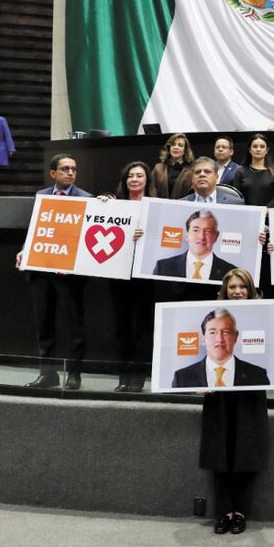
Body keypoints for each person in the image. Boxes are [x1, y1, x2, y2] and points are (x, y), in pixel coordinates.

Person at [195, 271, 271, 535]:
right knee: (220, 454)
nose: (237, 291)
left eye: (242, 286)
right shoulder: (212, 315)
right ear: (225, 291)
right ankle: (224, 511)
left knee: (245, 453)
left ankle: (240, 512)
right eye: (232, 287)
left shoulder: (268, 315)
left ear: (251, 289)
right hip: (218, 396)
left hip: (249, 397)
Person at [22, 154, 93, 390]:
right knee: (44, 323)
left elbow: (88, 239)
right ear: (53, 173)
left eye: (73, 168)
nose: (70, 172)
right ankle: (48, 373)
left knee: (75, 325)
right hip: (41, 269)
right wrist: (25, 250)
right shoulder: (41, 196)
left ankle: (74, 374)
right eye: (65, 169)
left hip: (69, 274)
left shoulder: (87, 198)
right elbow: (35, 230)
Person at [106, 161, 157, 392]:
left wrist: (146, 234)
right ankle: (123, 376)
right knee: (122, 327)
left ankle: (138, 377)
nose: (134, 179)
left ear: (147, 180)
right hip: (118, 273)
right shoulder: (115, 205)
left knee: (143, 327)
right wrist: (103, 205)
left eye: (139, 175)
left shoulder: (157, 206)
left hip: (146, 275)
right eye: (130, 175)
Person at [172, 308, 270, 388]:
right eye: (212, 332)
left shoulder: (258, 375)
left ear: (235, 337)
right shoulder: (181, 378)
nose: (219, 339)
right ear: (203, 339)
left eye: (226, 332)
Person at [154, 210, 239, 281]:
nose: (201, 237)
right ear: (187, 235)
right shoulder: (163, 267)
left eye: (208, 231)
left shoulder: (231, 272)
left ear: (216, 236)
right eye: (196, 230)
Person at [232, 133, 274, 207]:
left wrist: (265, 210)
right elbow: (236, 197)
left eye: (262, 147)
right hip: (246, 214)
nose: (258, 149)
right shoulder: (240, 171)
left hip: (267, 215)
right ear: (250, 150)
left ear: (267, 150)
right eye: (255, 146)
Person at [152, 133, 195, 199]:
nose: (176, 147)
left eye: (180, 145)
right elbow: (151, 188)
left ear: (185, 150)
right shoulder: (158, 168)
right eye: (173, 144)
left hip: (183, 206)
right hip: (159, 206)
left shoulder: (192, 170)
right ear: (169, 148)